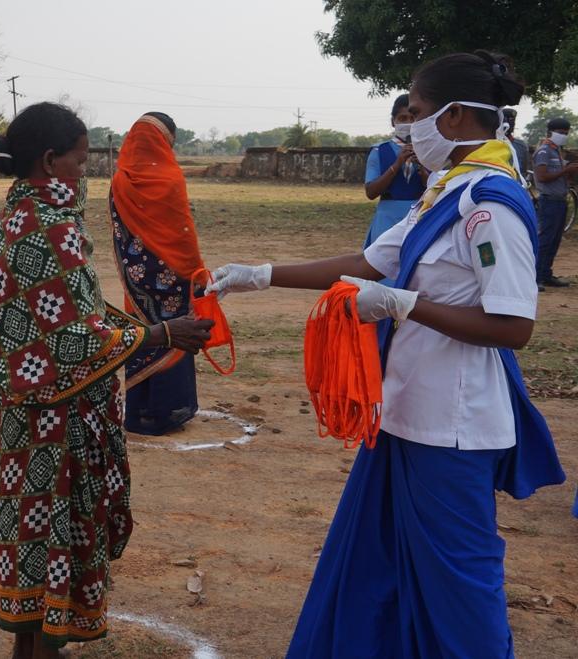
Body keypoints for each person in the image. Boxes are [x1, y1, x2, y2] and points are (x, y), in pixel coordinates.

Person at [207, 51, 565, 658]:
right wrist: (260, 274)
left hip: (451, 425)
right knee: (379, 564)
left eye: (417, 112)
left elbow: (512, 326)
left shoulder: (490, 204)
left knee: (459, 580)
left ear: (454, 117)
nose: (409, 125)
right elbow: (368, 262)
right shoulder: (447, 190)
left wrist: (405, 305)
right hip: (404, 410)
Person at [0, 102, 212, 659]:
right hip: (57, 425)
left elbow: (67, 314)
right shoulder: (52, 228)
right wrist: (161, 334)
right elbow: (72, 339)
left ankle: (28, 645)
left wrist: (141, 330)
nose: (86, 172)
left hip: (22, 418)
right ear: (51, 161)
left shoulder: (14, 218)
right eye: (80, 161)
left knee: (30, 540)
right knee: (57, 534)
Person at [109, 111, 208, 435]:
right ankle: (169, 411)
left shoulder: (120, 180)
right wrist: (196, 271)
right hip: (175, 276)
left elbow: (120, 234)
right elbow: (182, 232)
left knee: (144, 332)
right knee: (177, 333)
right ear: (166, 141)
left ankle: (140, 411)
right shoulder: (171, 178)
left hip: (136, 280)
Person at [363, 94, 427, 247]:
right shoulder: (379, 150)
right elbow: (371, 192)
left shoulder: (428, 150)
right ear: (393, 121)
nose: (408, 123)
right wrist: (397, 164)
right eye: (402, 119)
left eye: (412, 118)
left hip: (419, 216)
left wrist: (422, 167)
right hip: (387, 218)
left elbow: (436, 186)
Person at [533, 117, 578, 289]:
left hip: (560, 201)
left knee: (554, 240)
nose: (563, 136)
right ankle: (536, 277)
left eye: (566, 133)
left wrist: (568, 174)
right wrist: (565, 170)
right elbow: (542, 176)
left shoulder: (557, 151)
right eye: (560, 133)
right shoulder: (544, 151)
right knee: (545, 240)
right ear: (550, 132)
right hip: (549, 202)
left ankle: (546, 274)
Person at [502, 108, 530, 176]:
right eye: (507, 121)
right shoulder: (490, 143)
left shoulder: (521, 145)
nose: (511, 124)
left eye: (512, 121)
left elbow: (524, 170)